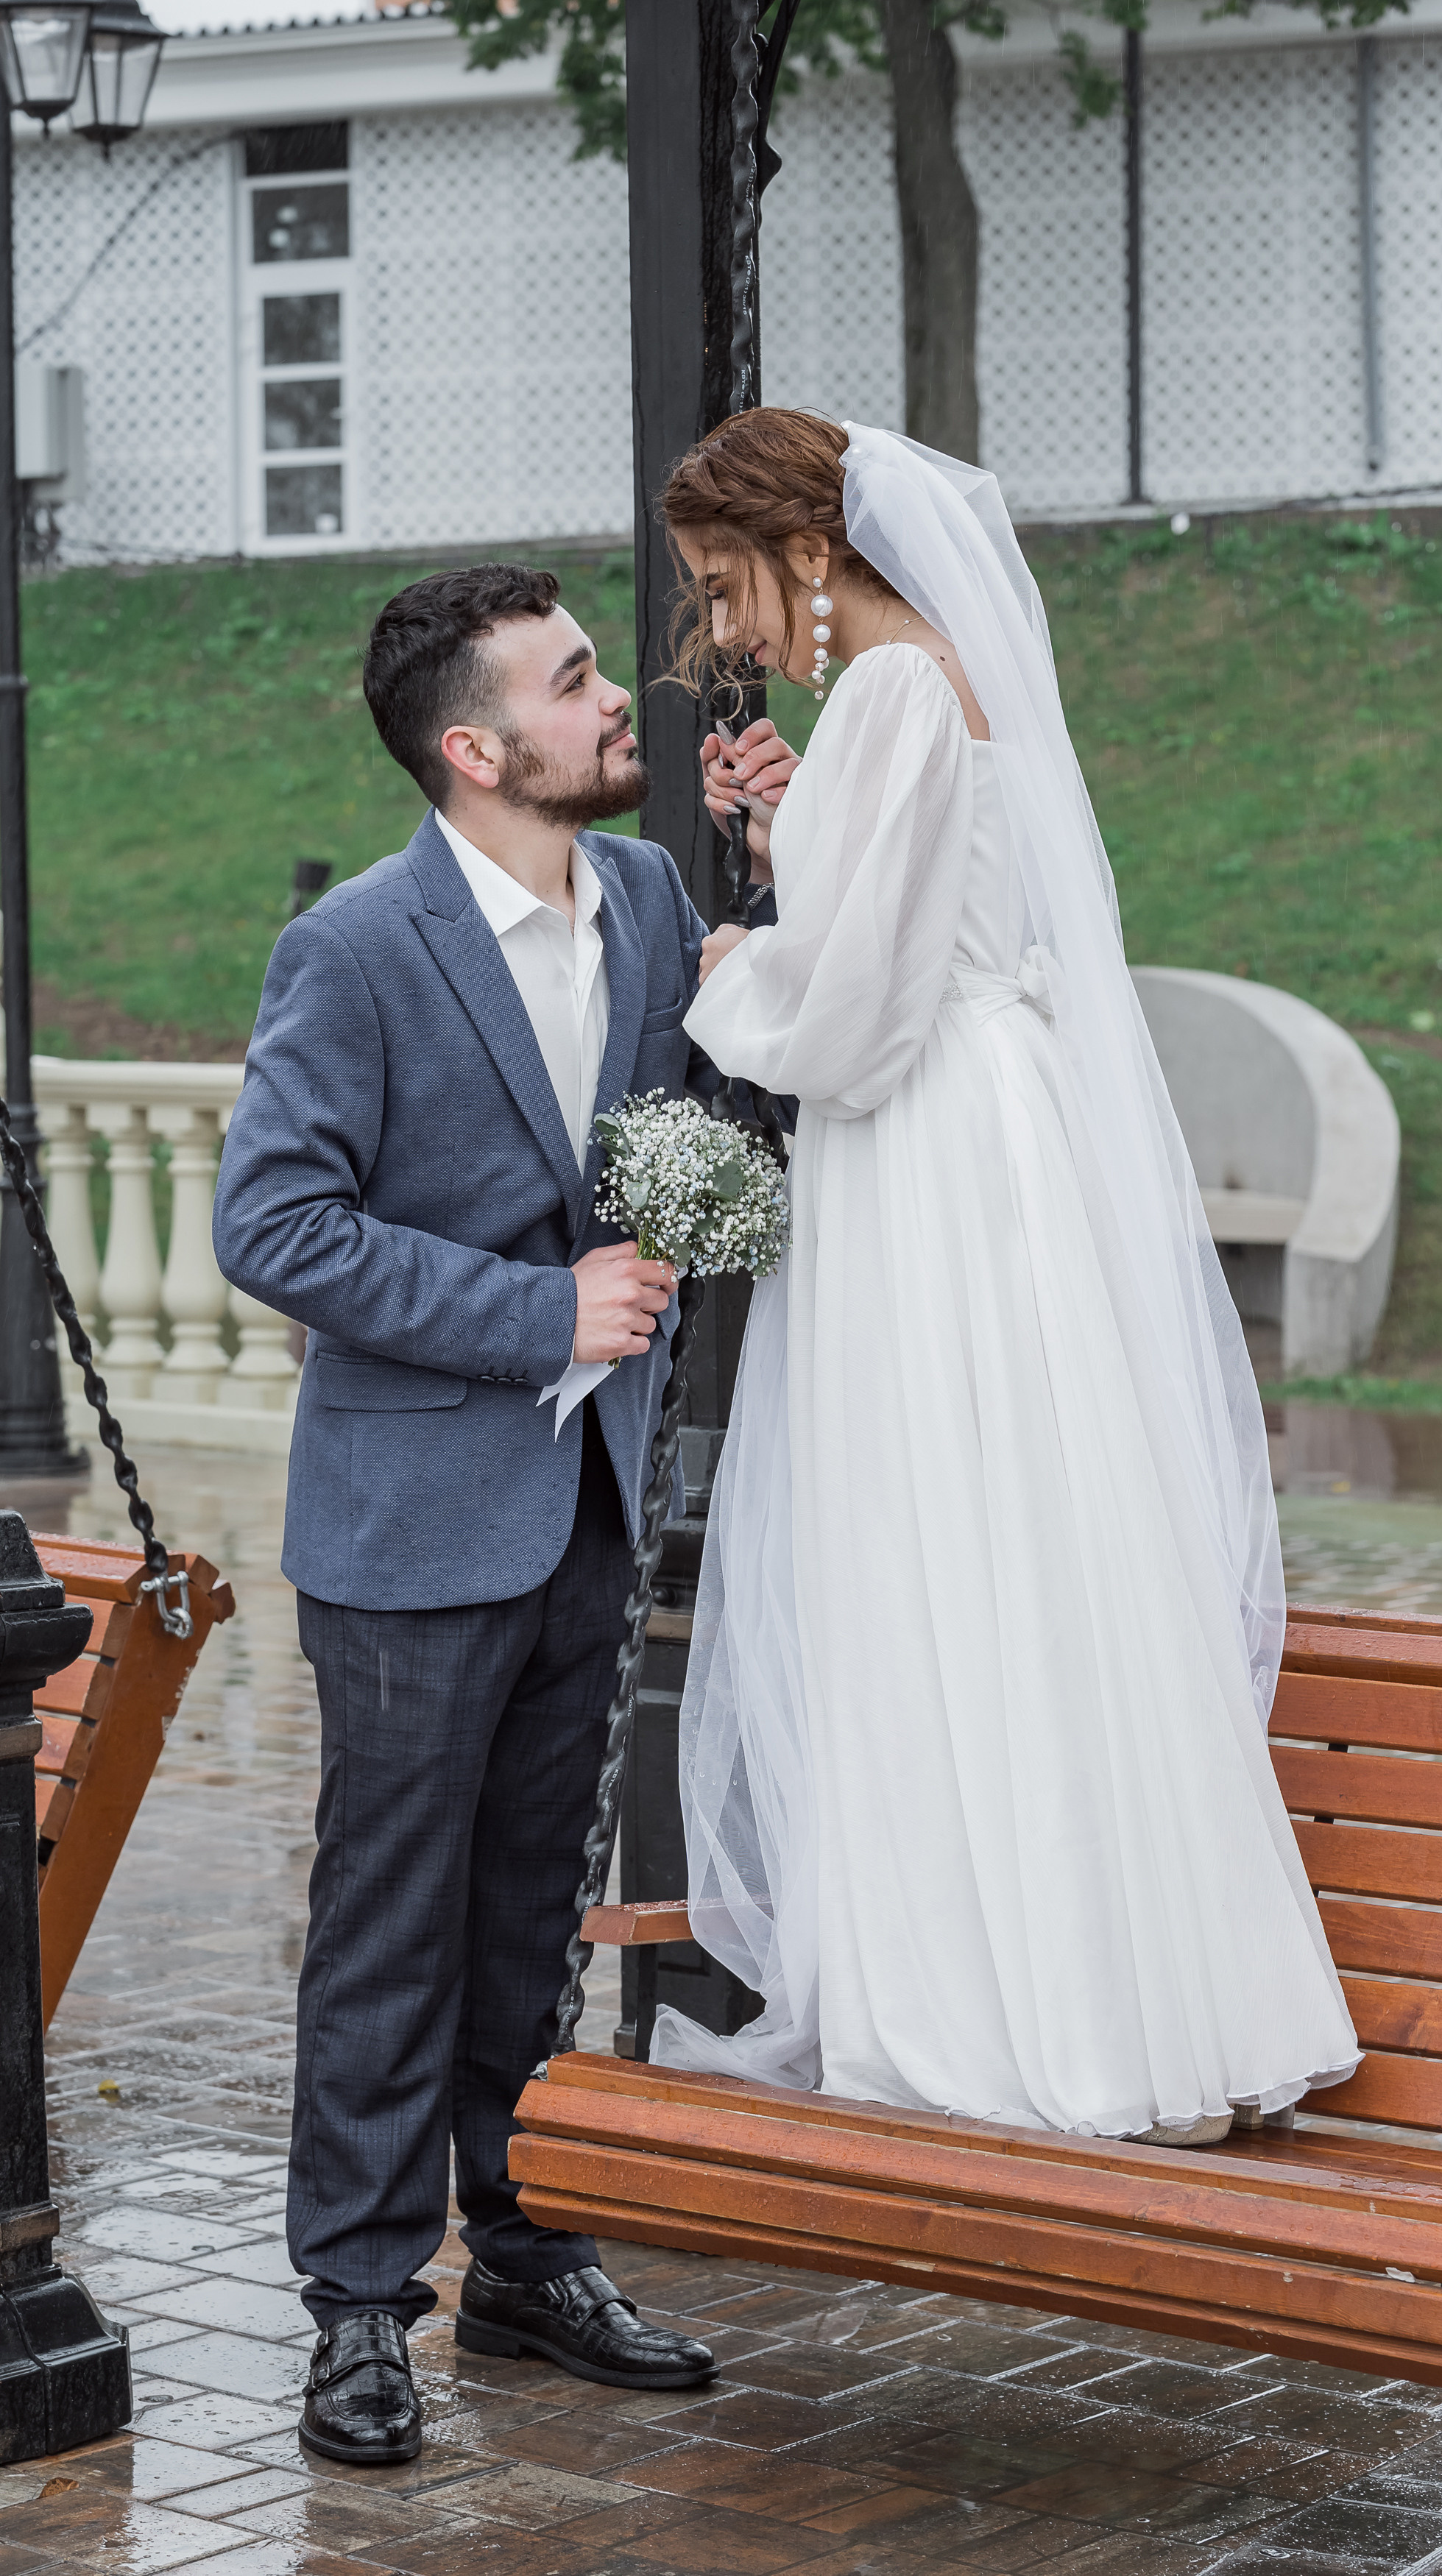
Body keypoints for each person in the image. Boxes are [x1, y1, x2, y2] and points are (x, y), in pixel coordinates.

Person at [648, 413, 1361, 2140]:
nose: (725, 628)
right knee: (1013, 1536)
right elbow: (933, 915)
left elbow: (861, 1017)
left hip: (926, 1151)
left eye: (726, 583)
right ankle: (1111, 1992)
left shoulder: (891, 689)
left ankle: (987, 2009)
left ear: (808, 551)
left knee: (932, 1531)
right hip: (985, 1139)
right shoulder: (922, 692)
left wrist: (732, 966)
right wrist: (798, 830)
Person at [212, 564, 732, 2469]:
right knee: (389, 1918)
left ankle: (525, 2247)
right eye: (577, 678)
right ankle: (359, 2302)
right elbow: (269, 1224)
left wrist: (777, 862)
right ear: (473, 743)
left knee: (532, 1917)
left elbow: (709, 1106)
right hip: (412, 1518)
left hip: (591, 1498)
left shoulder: (660, 897)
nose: (620, 702)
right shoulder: (354, 950)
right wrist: (541, 1308)